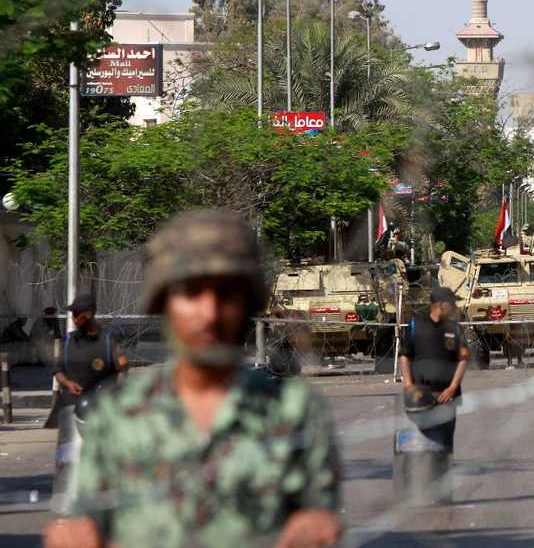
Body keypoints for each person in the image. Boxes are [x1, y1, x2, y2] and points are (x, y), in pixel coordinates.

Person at [44, 210, 341, 548]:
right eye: (191, 293)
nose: (209, 314)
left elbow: (316, 515)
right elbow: (90, 523)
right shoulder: (116, 414)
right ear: (164, 302)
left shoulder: (294, 410)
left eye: (226, 294)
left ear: (248, 302)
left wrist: (313, 526)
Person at [399, 286, 470, 449]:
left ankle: (443, 464)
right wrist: (409, 386)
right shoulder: (415, 324)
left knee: (444, 444)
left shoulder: (456, 328)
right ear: (441, 304)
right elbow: (404, 356)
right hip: (420, 395)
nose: (455, 307)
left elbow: (463, 359)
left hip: (447, 395)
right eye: (452, 303)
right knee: (418, 443)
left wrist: (453, 387)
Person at [53, 295, 126, 406]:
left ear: (88, 314)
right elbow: (59, 371)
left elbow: (122, 371)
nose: (73, 317)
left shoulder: (109, 340)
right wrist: (68, 384)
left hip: (101, 405)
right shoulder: (68, 340)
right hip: (71, 404)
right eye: (72, 314)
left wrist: (113, 394)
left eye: (77, 314)